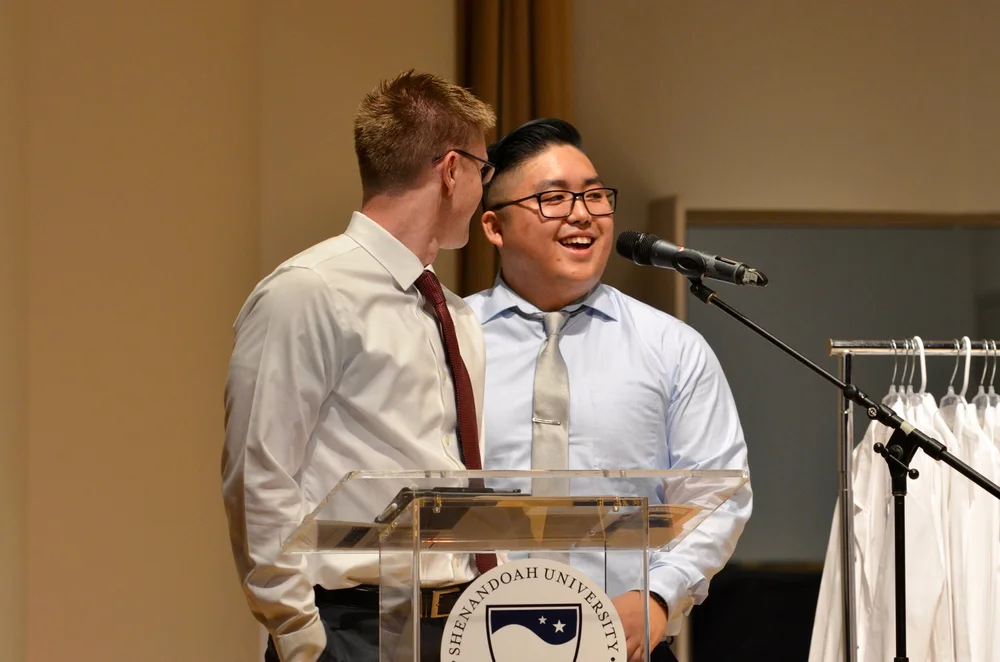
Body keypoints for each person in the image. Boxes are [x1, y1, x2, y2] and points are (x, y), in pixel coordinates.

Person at [221, 70, 496, 662]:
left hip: (461, 622)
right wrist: (299, 636)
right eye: (484, 170)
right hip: (352, 628)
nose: (484, 191)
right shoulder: (309, 291)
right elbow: (259, 476)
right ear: (452, 171)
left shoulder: (455, 315)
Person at [465, 118, 753, 662]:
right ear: (494, 227)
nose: (582, 214)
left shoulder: (671, 346)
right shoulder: (447, 340)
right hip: (478, 640)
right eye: (553, 198)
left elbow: (717, 497)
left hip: (626, 643)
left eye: (595, 195)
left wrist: (658, 596)